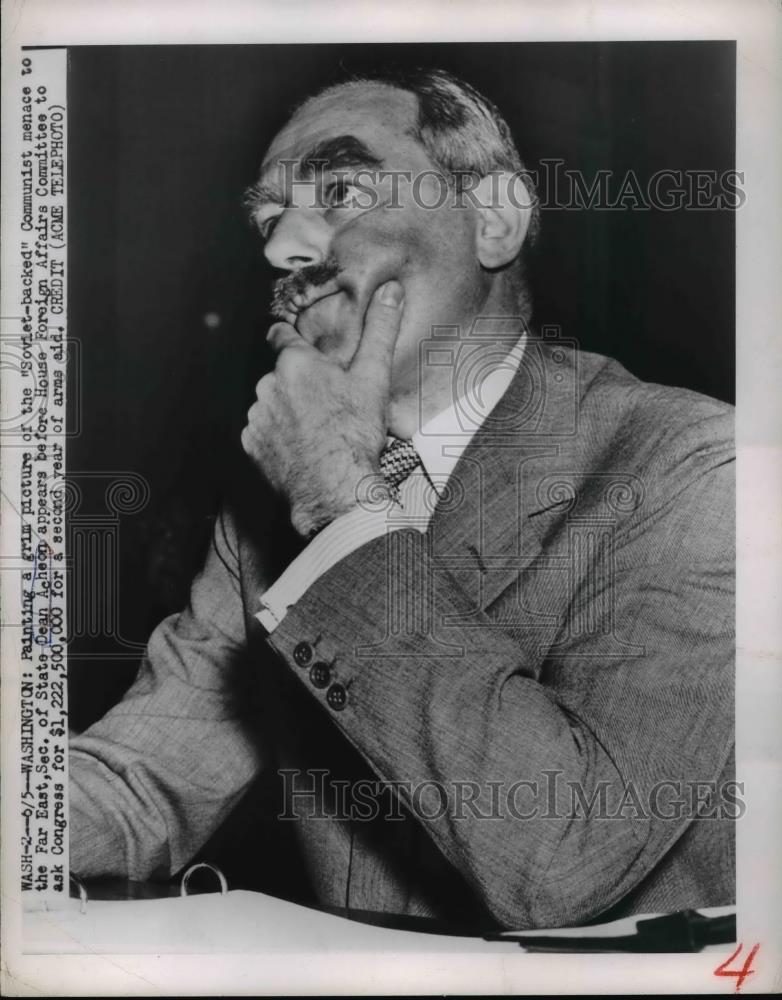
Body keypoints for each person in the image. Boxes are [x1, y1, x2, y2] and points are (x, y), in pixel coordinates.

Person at [69, 68, 735, 931]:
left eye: (340, 188)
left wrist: (340, 502)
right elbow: (139, 785)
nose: (283, 251)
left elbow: (568, 859)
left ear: (493, 218)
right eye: (269, 221)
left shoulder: (695, 466)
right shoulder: (264, 515)